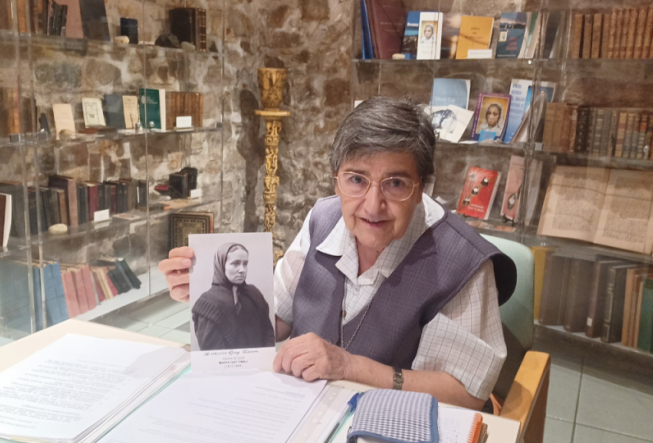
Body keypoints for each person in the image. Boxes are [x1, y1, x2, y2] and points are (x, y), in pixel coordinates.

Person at [159, 97, 516, 410]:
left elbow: (466, 392)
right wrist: (210, 297)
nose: (373, 206)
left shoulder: (461, 262)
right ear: (336, 179)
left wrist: (348, 366)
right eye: (356, 179)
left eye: (395, 183)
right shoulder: (322, 220)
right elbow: (276, 319)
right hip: (303, 413)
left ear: (423, 186)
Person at [191, 243, 275, 351]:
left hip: (259, 363)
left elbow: (267, 331)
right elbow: (211, 350)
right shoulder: (207, 303)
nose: (242, 270)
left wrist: (264, 358)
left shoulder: (254, 294)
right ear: (221, 265)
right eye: (235, 264)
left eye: (245, 264)